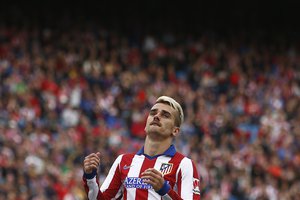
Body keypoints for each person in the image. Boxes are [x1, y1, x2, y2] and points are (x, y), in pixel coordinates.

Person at [82, 96, 201, 199]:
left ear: (175, 130)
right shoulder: (123, 161)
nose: (157, 116)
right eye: (153, 113)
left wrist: (164, 190)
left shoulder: (184, 164)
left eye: (165, 115)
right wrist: (90, 177)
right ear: (145, 125)